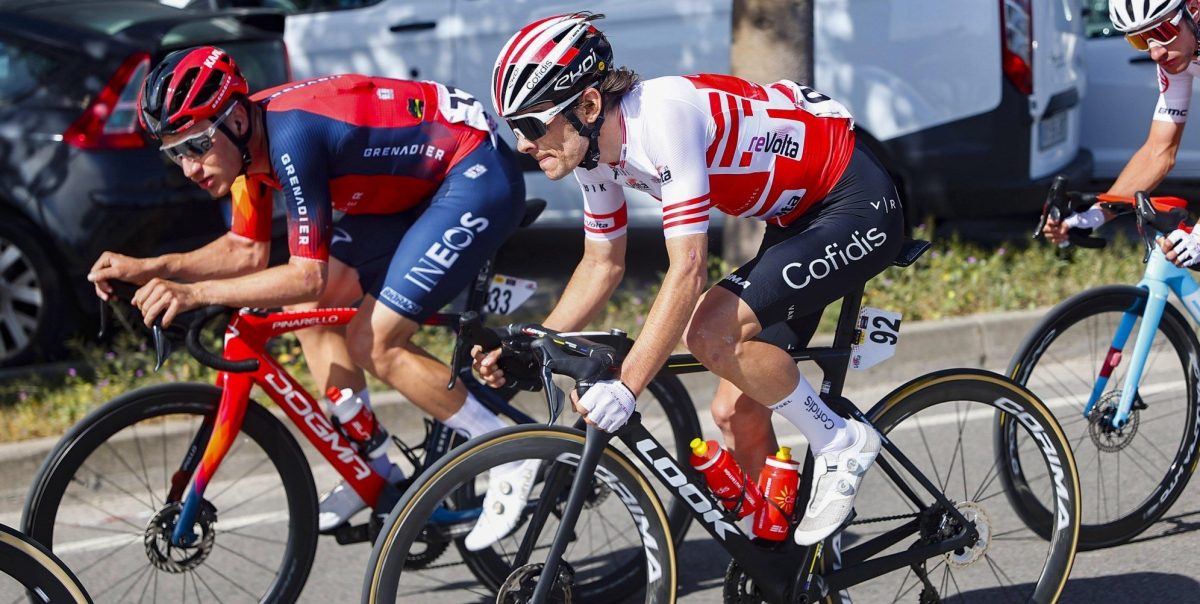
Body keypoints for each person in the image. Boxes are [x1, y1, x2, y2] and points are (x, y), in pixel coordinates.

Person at [474, 12, 904, 546]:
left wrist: (628, 386)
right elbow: (602, 263)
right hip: (795, 217)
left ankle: (841, 443)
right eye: (513, 126)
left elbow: (688, 269)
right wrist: (533, 341)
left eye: (532, 125)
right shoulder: (590, 153)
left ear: (587, 105)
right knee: (733, 413)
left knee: (710, 333)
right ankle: (792, 559)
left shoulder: (663, 119)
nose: (521, 143)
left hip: (852, 200)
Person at [86, 46, 534, 537]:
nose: (189, 168)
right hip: (410, 191)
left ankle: (507, 449)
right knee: (309, 309)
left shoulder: (289, 140)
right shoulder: (243, 153)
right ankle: (376, 467)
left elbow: (306, 273)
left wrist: (195, 295)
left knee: (373, 340)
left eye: (196, 145)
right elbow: (244, 251)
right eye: (176, 153)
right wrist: (153, 267)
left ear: (235, 119)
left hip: (472, 169)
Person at [1046, 0, 1200, 266]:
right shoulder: (1176, 56)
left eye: (1162, 32)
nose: (1155, 53)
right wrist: (1096, 215)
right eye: (1141, 40)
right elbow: (1158, 152)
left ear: (1194, 10)